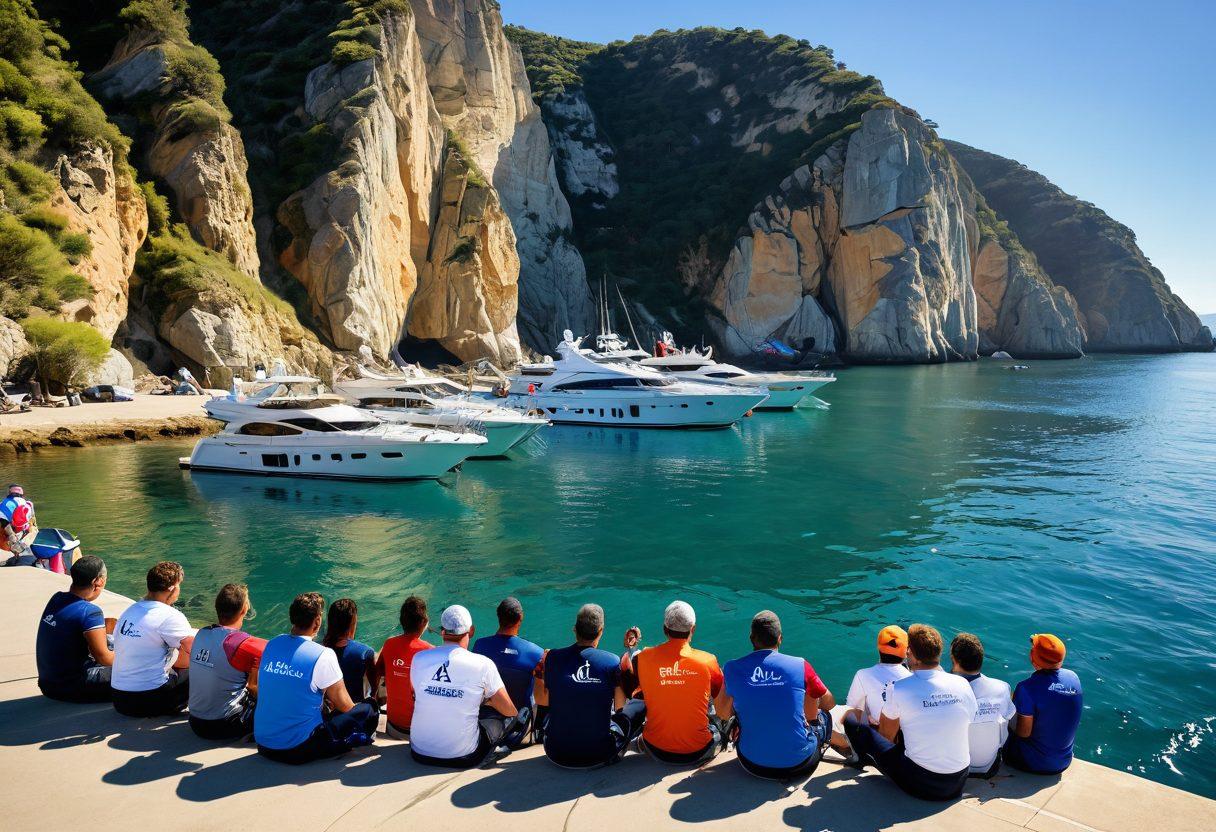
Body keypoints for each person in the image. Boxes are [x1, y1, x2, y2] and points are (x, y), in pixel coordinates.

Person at [843, 624, 977, 801]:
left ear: (911, 654)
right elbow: (969, 720)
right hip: (958, 780)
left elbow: (886, 736)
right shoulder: (962, 684)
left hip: (922, 783)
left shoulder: (900, 688)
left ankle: (860, 759)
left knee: (853, 723)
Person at [253, 592, 378, 764]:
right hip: (298, 749)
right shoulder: (323, 655)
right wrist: (363, 704)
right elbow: (346, 706)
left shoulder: (272, 644)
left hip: (264, 744)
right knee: (367, 710)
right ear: (318, 621)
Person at [720, 611, 835, 781]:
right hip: (799, 765)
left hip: (751, 763)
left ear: (752, 638)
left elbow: (723, 713)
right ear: (780, 638)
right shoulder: (800, 665)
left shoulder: (731, 668)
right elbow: (829, 703)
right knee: (825, 716)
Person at [409, 604, 521, 768]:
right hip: (464, 756)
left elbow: (416, 695)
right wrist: (486, 702)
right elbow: (510, 710)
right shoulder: (483, 664)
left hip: (419, 752)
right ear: (472, 631)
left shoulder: (419, 659)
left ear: (442, 632)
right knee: (502, 717)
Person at [542, 603, 644, 768]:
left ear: (574, 629)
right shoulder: (612, 662)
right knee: (639, 705)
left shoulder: (552, 657)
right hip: (599, 754)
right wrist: (630, 654)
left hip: (556, 753)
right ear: (601, 631)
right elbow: (620, 708)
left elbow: (543, 700)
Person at [630, 600, 726, 765]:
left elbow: (634, 678)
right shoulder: (708, 661)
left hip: (655, 748)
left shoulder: (642, 658)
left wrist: (631, 648)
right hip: (698, 751)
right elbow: (722, 709)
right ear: (693, 629)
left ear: (664, 629)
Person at [111, 561, 196, 717]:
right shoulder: (170, 615)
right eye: (179, 586)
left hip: (120, 700)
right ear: (171, 589)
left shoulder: (129, 611)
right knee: (199, 668)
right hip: (150, 701)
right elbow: (197, 651)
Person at [188, 584, 267, 740]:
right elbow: (272, 651)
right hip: (226, 725)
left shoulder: (201, 634)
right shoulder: (243, 644)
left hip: (195, 722)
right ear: (244, 609)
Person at [36, 555, 115, 702]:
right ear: (98, 582)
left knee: (111, 640)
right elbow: (104, 658)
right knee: (141, 672)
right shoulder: (90, 612)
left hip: (48, 685)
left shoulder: (56, 598)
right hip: (72, 687)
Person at [1003, 633, 1083, 775]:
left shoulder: (1026, 688)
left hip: (1034, 763)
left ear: (1034, 661)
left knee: (1003, 713)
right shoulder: (1073, 678)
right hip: (1064, 761)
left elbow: (1023, 733)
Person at [829, 625, 912, 759]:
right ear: (906, 652)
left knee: (835, 713)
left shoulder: (863, 675)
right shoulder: (912, 679)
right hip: (904, 741)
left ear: (879, 648)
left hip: (876, 739)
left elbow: (853, 709)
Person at [472, 597, 545, 744]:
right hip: (517, 729)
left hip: (485, 722)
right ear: (520, 618)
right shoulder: (536, 652)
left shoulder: (480, 646)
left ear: (498, 617)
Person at [950, 632, 1016, 778]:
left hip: (954, 768)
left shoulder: (946, 693)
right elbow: (1012, 721)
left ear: (954, 661)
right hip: (990, 766)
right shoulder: (1003, 687)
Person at [376, 595, 433, 737]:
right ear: (424, 622)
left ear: (401, 621)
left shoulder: (389, 644)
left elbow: (379, 670)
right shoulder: (431, 651)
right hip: (420, 732)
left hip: (393, 726)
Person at [321, 598, 377, 702]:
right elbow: (374, 689)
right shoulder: (365, 653)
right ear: (353, 623)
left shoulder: (320, 650)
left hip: (326, 710)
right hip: (354, 710)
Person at [1, 484, 37, 566]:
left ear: (9, 493)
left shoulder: (5, 503)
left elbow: (3, 521)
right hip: (25, 535)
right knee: (33, 528)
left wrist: (11, 535)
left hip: (8, 540)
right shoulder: (29, 504)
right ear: (22, 495)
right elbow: (33, 521)